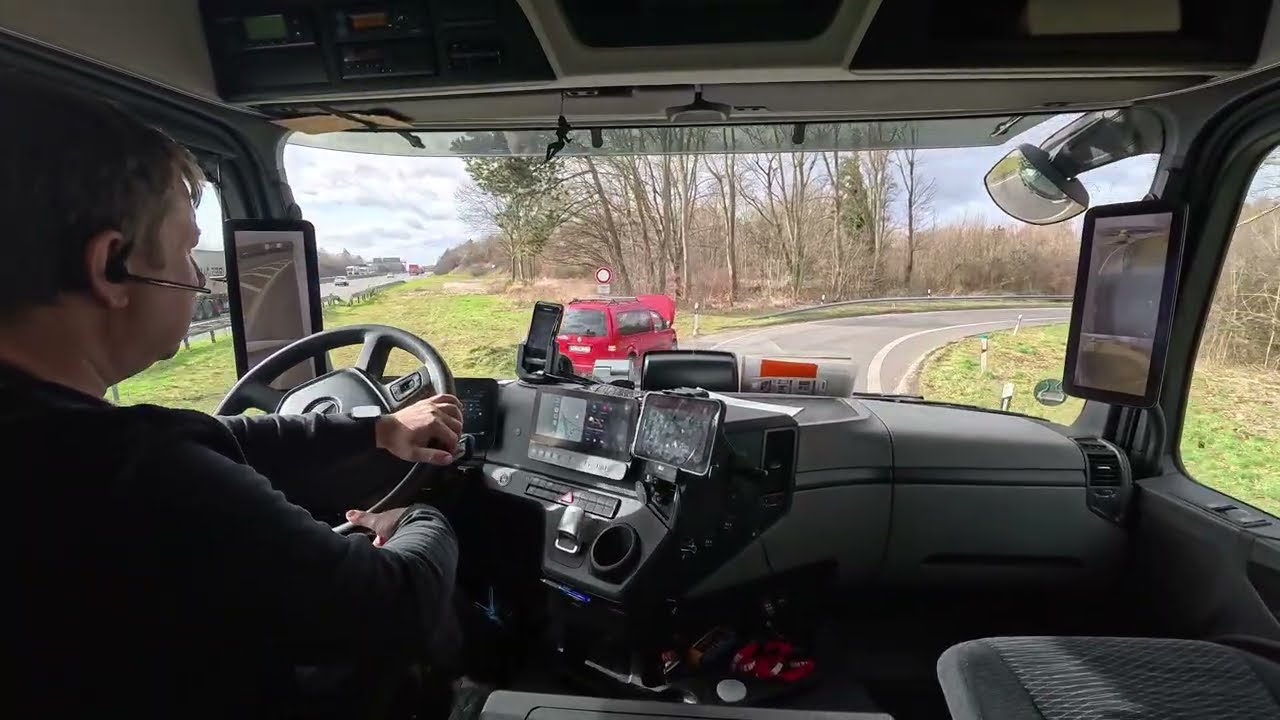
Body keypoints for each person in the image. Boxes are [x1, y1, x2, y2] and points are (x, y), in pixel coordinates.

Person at [1, 74, 464, 716]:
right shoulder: (135, 475)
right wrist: (418, 520)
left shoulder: (56, 431)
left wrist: (373, 430)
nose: (195, 277)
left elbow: (211, 435)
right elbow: (394, 605)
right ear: (111, 267)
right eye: (187, 250)